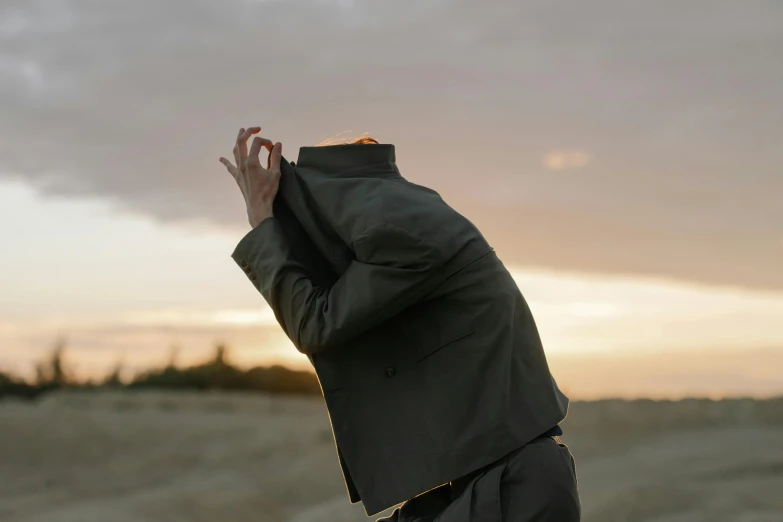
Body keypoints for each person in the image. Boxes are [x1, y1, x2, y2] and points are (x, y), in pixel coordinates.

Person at [219, 126, 581, 521]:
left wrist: (262, 221)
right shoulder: (408, 211)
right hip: (490, 478)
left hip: (512, 485)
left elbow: (314, 323)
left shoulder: (401, 231)